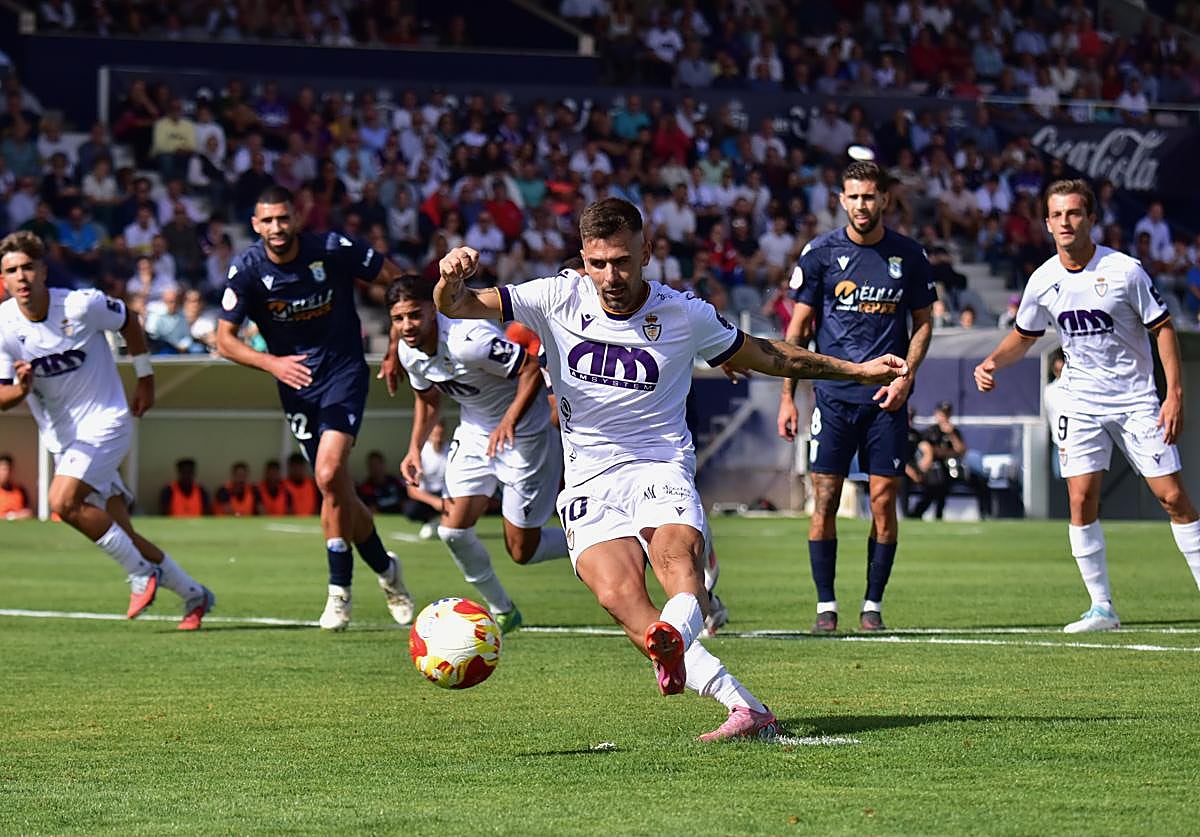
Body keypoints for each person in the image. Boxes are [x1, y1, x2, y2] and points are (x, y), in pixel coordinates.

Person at [433, 197, 905, 741]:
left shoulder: (684, 314)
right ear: (583, 258)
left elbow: (771, 354)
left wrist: (857, 370)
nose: (612, 275)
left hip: (659, 463)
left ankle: (677, 630)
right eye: (599, 262)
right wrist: (450, 275)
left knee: (677, 561)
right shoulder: (553, 297)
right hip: (587, 477)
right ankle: (742, 704)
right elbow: (458, 304)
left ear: (647, 253)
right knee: (619, 598)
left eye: (623, 261)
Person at [974, 179, 1200, 633]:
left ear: (1091, 219)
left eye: (1074, 213)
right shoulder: (1042, 280)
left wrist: (1174, 393)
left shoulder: (1125, 271)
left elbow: (1164, 328)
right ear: (1047, 223)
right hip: (1080, 400)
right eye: (1056, 215)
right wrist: (993, 361)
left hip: (1136, 400)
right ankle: (1102, 608)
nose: (1065, 222)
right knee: (1081, 499)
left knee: (1172, 497)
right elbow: (1025, 336)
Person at [216, 185, 413, 630]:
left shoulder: (333, 248)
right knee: (336, 487)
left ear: (296, 218)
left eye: (283, 218)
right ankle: (386, 570)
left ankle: (338, 593)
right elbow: (223, 339)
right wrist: (272, 363)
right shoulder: (247, 269)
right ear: (255, 225)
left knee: (327, 475)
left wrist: (397, 344)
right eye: (267, 221)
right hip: (297, 385)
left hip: (343, 374)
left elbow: (397, 281)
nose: (277, 228)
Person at [0, 231, 214, 629]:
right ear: (4, 279)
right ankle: (195, 595)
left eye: (28, 266)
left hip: (107, 421)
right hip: (65, 442)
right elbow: (2, 396)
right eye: (12, 270)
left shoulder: (82, 304)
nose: (22, 276)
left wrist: (145, 378)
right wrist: (22, 389)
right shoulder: (4, 327)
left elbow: (129, 320)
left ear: (44, 270)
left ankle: (140, 575)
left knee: (62, 502)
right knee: (125, 534)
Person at [777, 160, 935, 633]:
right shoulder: (820, 253)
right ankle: (826, 607)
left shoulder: (908, 254)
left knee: (884, 501)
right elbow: (798, 330)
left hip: (887, 398)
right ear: (841, 200)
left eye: (870, 196)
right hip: (832, 398)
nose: (862, 205)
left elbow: (924, 323)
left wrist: (907, 376)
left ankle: (872, 605)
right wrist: (789, 396)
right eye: (853, 196)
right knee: (824, 499)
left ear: (884, 199)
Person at [380, 275, 570, 634]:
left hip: (526, 437)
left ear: (432, 310)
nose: (407, 325)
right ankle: (503, 610)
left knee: (522, 551)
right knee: (452, 532)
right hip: (474, 435)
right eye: (398, 318)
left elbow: (529, 369)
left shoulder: (471, 341)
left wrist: (508, 422)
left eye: (415, 315)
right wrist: (414, 450)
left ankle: (614, 545)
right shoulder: (409, 351)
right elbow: (428, 399)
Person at [404, 419, 447, 537]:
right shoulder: (420, 453)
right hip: (428, 497)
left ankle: (449, 523)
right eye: (435, 433)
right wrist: (434, 502)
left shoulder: (452, 451)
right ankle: (432, 521)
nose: (438, 437)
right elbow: (411, 489)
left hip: (448, 495)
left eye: (441, 433)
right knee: (411, 509)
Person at [356, 450, 406, 515]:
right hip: (380, 518)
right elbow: (370, 508)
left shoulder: (395, 481)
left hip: (399, 515)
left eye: (377, 464)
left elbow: (405, 501)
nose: (375, 468)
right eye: (372, 465)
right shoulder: (366, 487)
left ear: (383, 464)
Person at [0, 452, 33, 519]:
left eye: (9, 469)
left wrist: (14, 516)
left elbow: (28, 513)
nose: (6, 473)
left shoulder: (20, 491)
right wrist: (8, 517)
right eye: (3, 469)